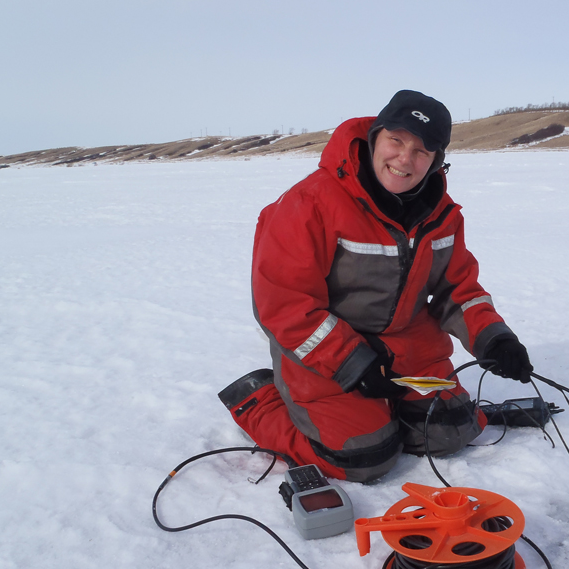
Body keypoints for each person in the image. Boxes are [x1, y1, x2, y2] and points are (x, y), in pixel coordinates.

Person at [220, 90, 532, 482]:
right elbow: (283, 304)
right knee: (364, 457)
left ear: (438, 161)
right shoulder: (309, 202)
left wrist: (494, 338)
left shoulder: (442, 214)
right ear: (375, 137)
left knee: (451, 431)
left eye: (422, 151)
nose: (405, 159)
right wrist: (351, 362)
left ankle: (383, 412)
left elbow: (459, 289)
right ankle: (259, 401)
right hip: (326, 351)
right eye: (396, 140)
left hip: (407, 348)